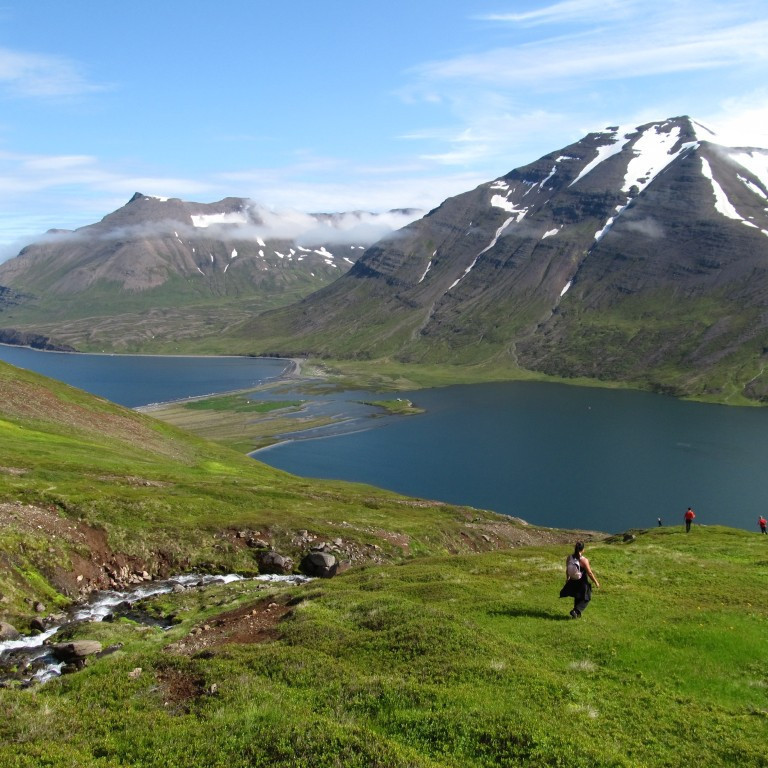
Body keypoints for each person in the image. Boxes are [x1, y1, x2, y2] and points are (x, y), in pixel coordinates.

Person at [559, 541, 600, 619]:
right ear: (583, 549)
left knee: (578, 596)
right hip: (582, 581)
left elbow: (567, 569)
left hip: (573, 579)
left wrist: (567, 578)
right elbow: (590, 573)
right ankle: (575, 611)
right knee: (587, 597)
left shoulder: (569, 557)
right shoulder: (584, 560)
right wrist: (596, 582)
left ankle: (576, 614)